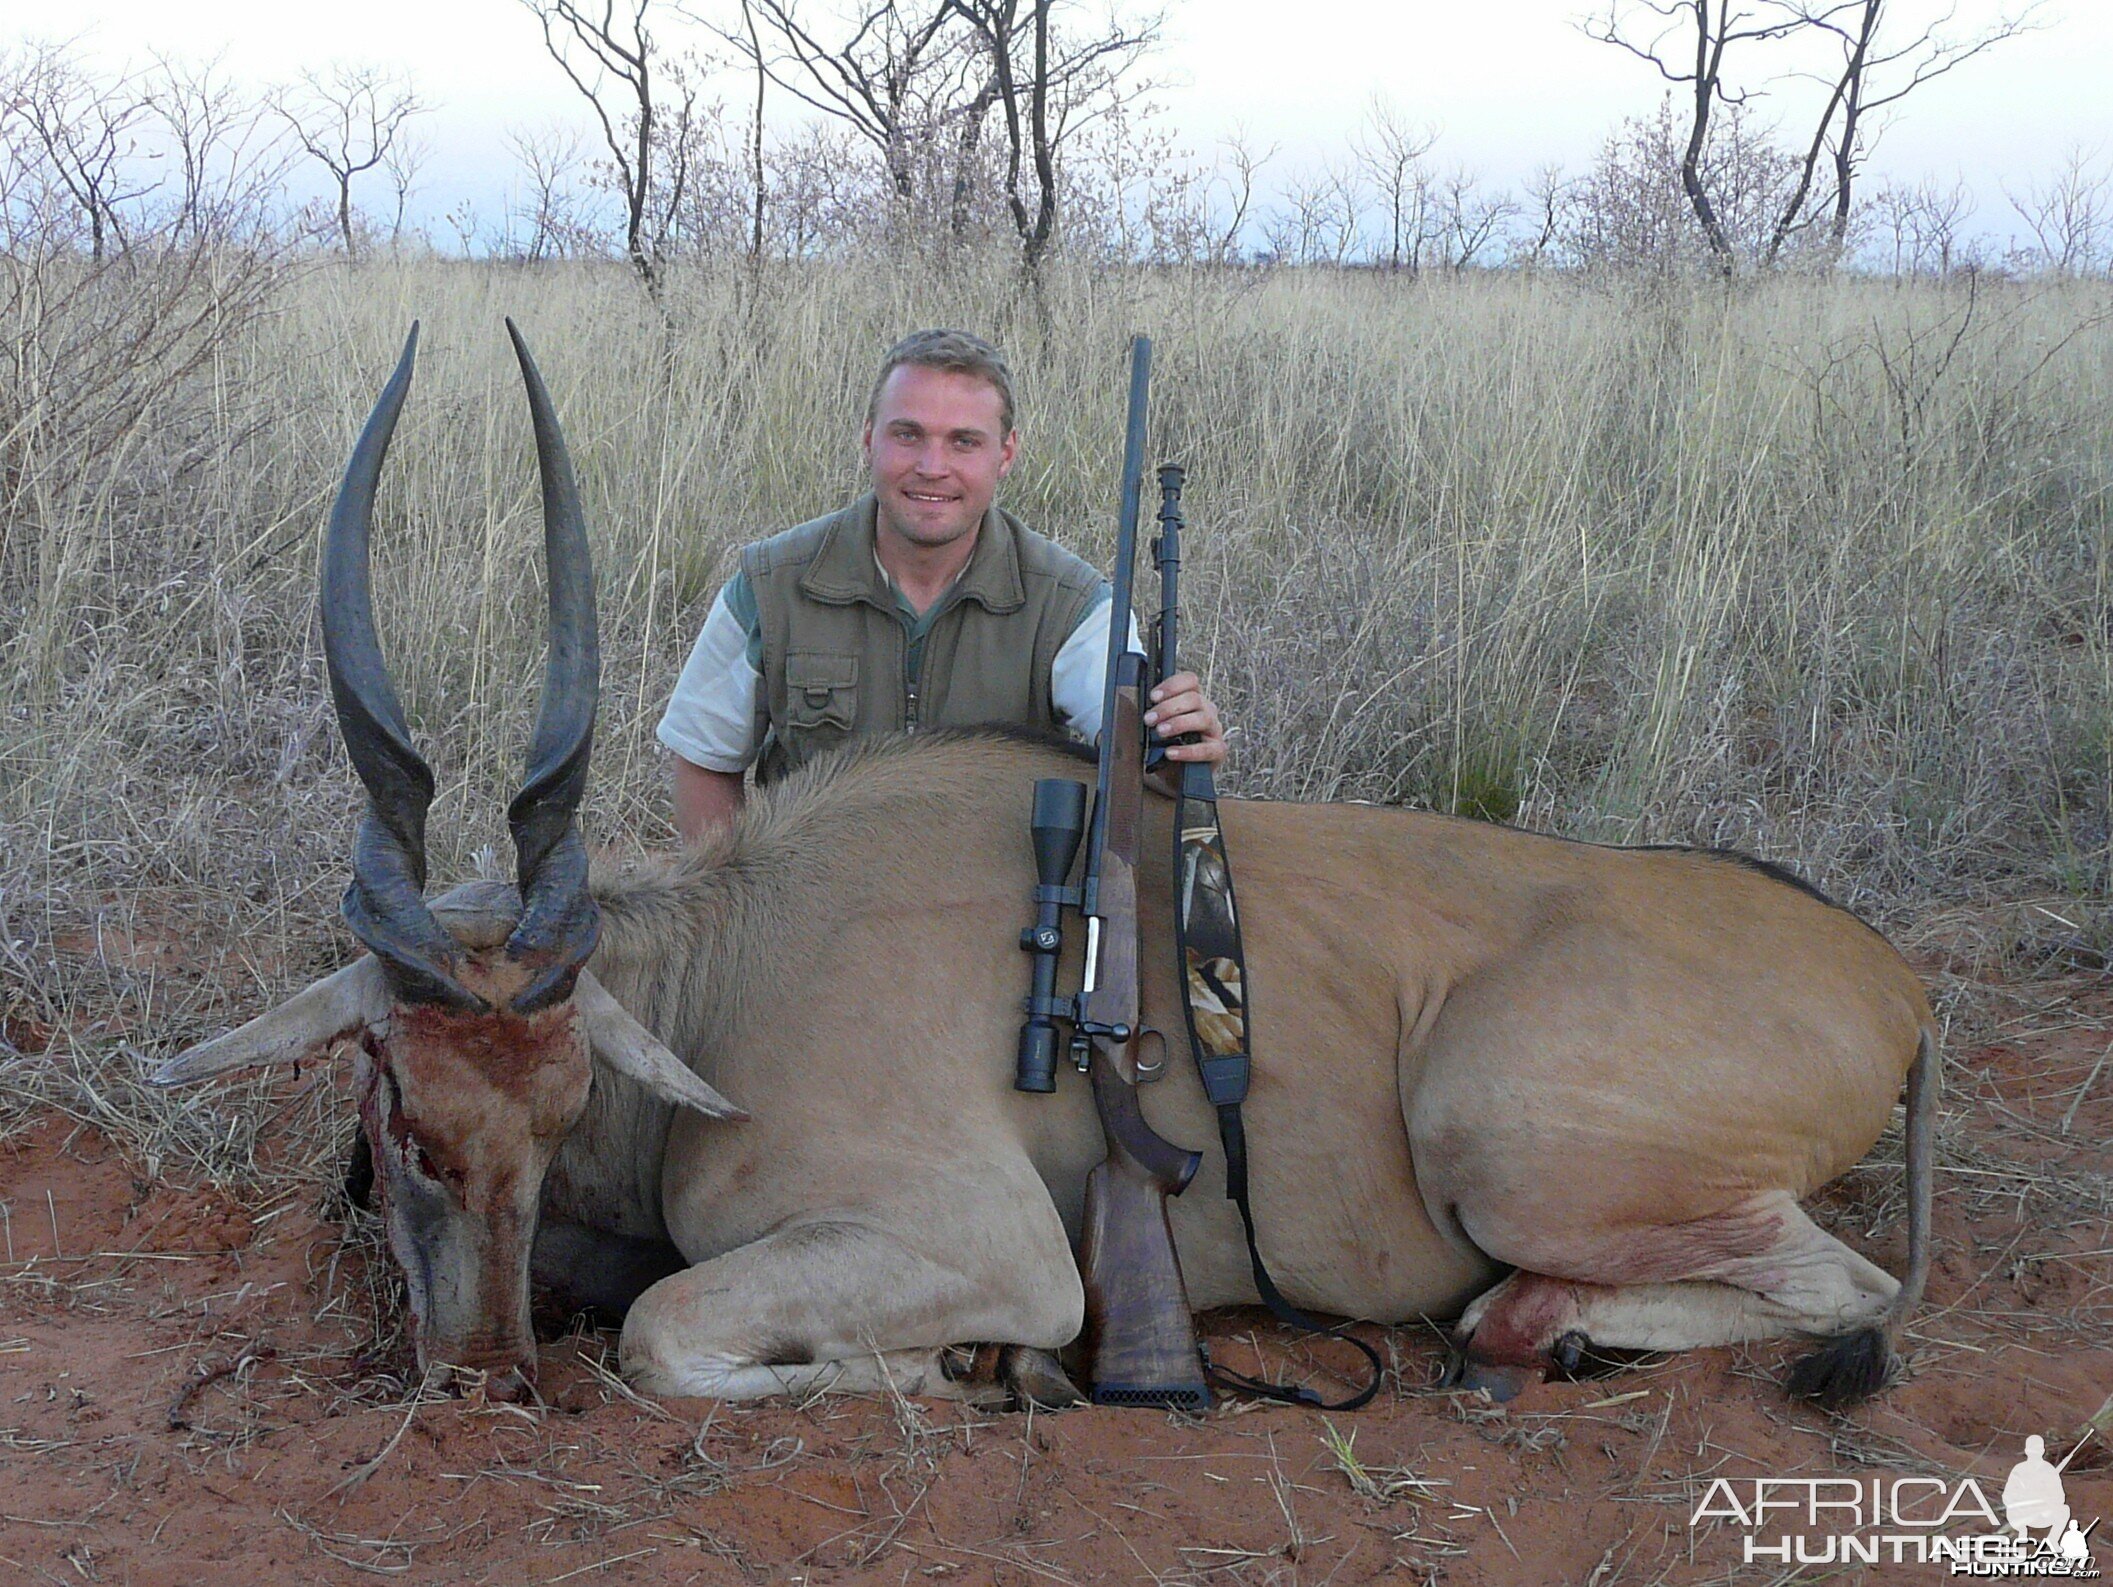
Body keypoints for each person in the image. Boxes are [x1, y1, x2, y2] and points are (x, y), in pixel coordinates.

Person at [657, 328, 1226, 840]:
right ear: (868, 439)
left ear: (1005, 455)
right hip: (814, 921)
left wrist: (1179, 753)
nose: (932, 466)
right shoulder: (768, 586)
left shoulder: (1074, 607)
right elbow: (706, 762)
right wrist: (742, 911)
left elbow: (1141, 767)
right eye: (907, 435)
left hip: (996, 922)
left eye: (963, 442)